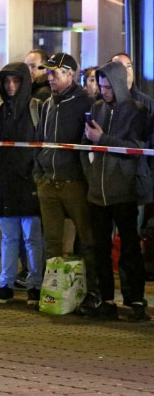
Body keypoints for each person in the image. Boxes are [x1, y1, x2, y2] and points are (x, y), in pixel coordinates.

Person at [82, 61, 150, 321]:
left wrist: (103, 140)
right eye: (101, 87)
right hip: (97, 191)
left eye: (108, 87)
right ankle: (107, 299)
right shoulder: (97, 108)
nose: (104, 91)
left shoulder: (137, 111)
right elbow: (85, 142)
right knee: (101, 248)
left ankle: (134, 299)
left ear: (120, 85)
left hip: (123, 190)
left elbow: (136, 146)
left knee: (129, 247)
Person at [33, 53, 99, 310]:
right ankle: (53, 290)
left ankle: (91, 291)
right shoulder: (47, 103)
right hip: (48, 181)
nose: (50, 78)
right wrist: (39, 174)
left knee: (87, 238)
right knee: (52, 242)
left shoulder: (86, 102)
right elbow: (40, 141)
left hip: (74, 182)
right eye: (48, 73)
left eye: (56, 73)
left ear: (71, 74)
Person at [0, 62, 43, 305]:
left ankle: (35, 286)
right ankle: (6, 285)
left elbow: (42, 144)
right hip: (5, 184)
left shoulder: (36, 108)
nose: (10, 86)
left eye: (16, 81)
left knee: (32, 239)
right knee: (8, 238)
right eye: (7, 81)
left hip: (30, 183)